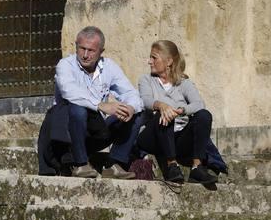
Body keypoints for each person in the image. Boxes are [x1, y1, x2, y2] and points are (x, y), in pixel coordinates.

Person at [52, 26, 143, 179]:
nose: (85, 55)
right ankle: (80, 164)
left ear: (101, 51)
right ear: (76, 46)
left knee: (139, 113)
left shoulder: (109, 67)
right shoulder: (65, 65)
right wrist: (101, 105)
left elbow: (131, 93)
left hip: (96, 129)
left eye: (91, 50)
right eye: (82, 49)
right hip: (69, 133)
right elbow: (69, 91)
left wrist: (130, 107)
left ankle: (113, 164)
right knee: (78, 108)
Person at [138, 39, 216, 186]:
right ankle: (172, 165)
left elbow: (199, 104)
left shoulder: (184, 83)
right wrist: (162, 106)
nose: (149, 61)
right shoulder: (146, 80)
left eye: (154, 58)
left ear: (168, 61)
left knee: (204, 115)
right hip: (153, 136)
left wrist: (180, 111)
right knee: (164, 114)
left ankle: (197, 168)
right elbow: (146, 100)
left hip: (177, 138)